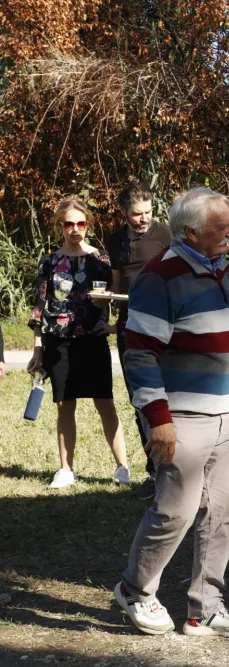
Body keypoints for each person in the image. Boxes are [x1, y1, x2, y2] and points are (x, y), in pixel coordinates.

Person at [115, 187, 229, 638]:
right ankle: (135, 590)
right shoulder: (161, 276)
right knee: (175, 511)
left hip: (224, 417)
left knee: (225, 509)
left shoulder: (222, 271)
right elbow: (139, 353)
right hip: (181, 418)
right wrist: (158, 418)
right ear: (191, 233)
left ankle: (205, 610)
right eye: (222, 226)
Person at [26, 196, 129, 489]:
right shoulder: (49, 261)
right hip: (58, 342)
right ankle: (66, 469)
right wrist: (37, 348)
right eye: (69, 223)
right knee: (63, 405)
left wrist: (111, 321)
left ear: (88, 224)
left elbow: (118, 292)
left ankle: (122, 467)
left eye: (81, 223)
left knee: (105, 403)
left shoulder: (101, 260)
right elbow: (39, 307)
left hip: (93, 340)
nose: (75, 229)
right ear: (60, 226)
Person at [94, 180, 171, 500]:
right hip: (128, 328)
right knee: (141, 401)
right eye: (137, 214)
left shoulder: (165, 234)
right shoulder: (114, 240)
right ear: (124, 213)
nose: (144, 219)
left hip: (163, 327)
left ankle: (177, 471)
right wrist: (104, 308)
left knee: (168, 399)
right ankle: (155, 473)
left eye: (148, 212)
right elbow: (115, 279)